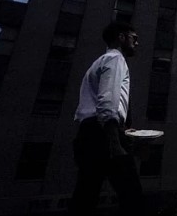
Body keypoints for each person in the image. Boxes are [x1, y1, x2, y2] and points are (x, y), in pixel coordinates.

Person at [70, 22, 143, 215]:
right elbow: (108, 99)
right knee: (132, 197)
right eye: (134, 38)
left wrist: (122, 130)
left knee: (85, 196)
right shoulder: (115, 59)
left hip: (91, 133)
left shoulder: (98, 62)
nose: (136, 43)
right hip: (103, 134)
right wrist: (114, 141)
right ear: (121, 37)